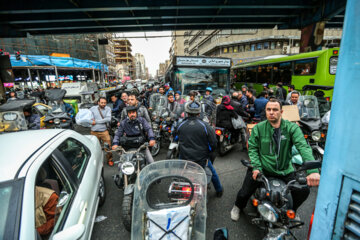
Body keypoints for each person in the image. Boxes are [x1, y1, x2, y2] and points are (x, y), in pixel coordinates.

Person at [230, 98, 320, 221]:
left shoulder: (292, 128)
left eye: (275, 109)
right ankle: (238, 206)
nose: (271, 112)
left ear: (281, 112)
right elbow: (253, 149)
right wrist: (256, 167)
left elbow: (303, 147)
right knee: (244, 192)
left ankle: (292, 210)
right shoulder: (258, 128)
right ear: (266, 111)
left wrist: (313, 171)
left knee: (303, 190)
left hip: (285, 170)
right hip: (262, 168)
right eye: (269, 109)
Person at [177, 101, 223, 197]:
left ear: (187, 112)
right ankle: (219, 190)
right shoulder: (205, 126)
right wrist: (208, 153)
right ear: (199, 113)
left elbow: (175, 137)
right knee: (212, 173)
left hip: (184, 158)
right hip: (201, 159)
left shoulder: (181, 125)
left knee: (179, 173)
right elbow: (214, 144)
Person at [90, 97, 113, 166]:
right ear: (98, 103)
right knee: (95, 148)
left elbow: (108, 119)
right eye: (102, 103)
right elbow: (88, 117)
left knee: (108, 147)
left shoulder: (108, 109)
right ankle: (98, 161)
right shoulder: (92, 109)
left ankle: (110, 159)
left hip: (104, 131)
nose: (103, 104)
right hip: (94, 131)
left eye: (105, 103)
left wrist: (96, 121)